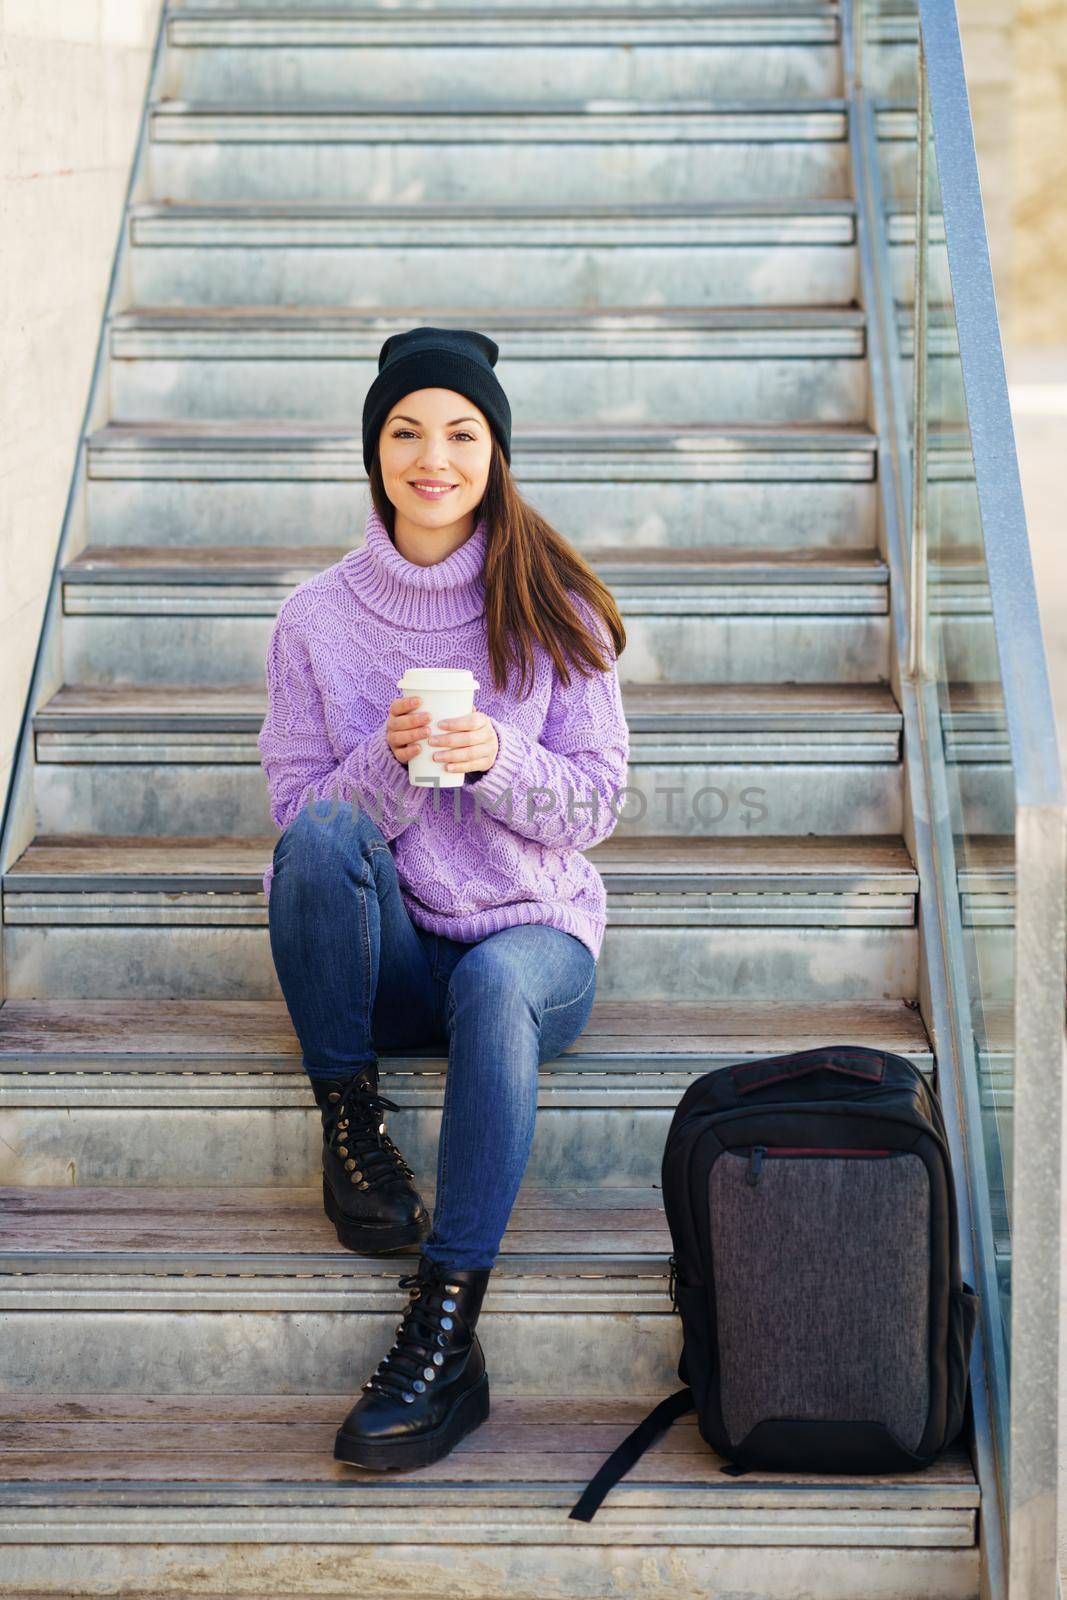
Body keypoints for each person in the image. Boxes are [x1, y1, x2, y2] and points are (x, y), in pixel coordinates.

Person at [256, 326, 630, 1472]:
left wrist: (495, 759)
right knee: (323, 832)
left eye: (460, 433)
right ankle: (351, 1126)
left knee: (499, 979)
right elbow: (299, 823)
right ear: (374, 453)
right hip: (397, 955)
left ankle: (445, 1326)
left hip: (530, 942)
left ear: (494, 454)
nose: (433, 456)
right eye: (406, 431)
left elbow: (597, 805)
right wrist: (388, 760)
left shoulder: (552, 603)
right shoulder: (314, 619)